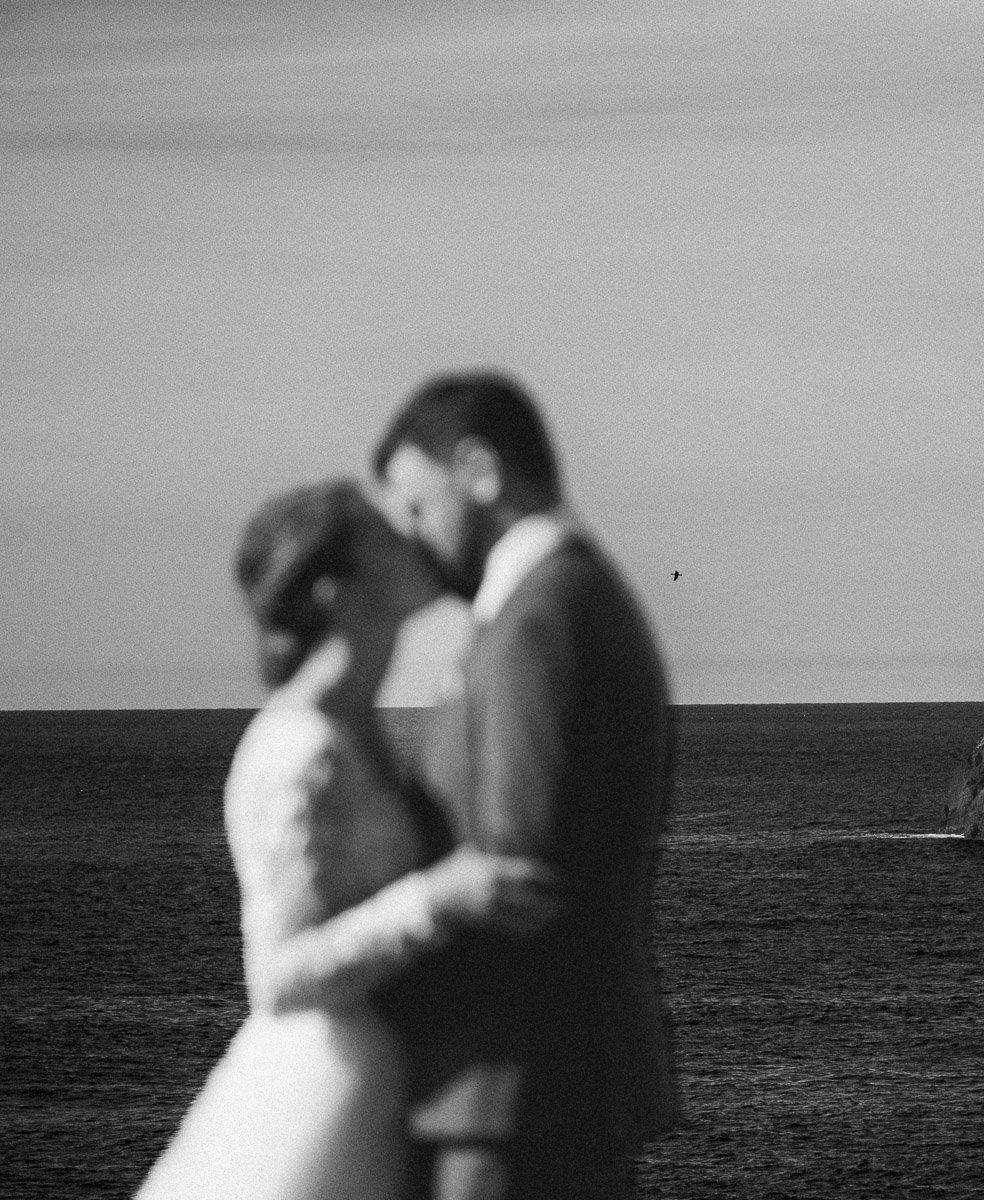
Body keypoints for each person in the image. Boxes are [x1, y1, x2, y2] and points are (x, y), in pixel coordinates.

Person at [136, 481, 561, 1200]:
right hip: (320, 1098)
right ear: (335, 592)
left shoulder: (356, 731)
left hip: (388, 1082)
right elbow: (279, 978)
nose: (416, 540)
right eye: (386, 538)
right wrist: (438, 900)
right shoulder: (296, 749)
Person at [371, 372, 678, 1200]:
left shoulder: (539, 622)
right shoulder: (559, 604)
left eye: (415, 506)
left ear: (479, 470)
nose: (410, 538)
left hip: (515, 1095)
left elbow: (515, 872)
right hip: (536, 1089)